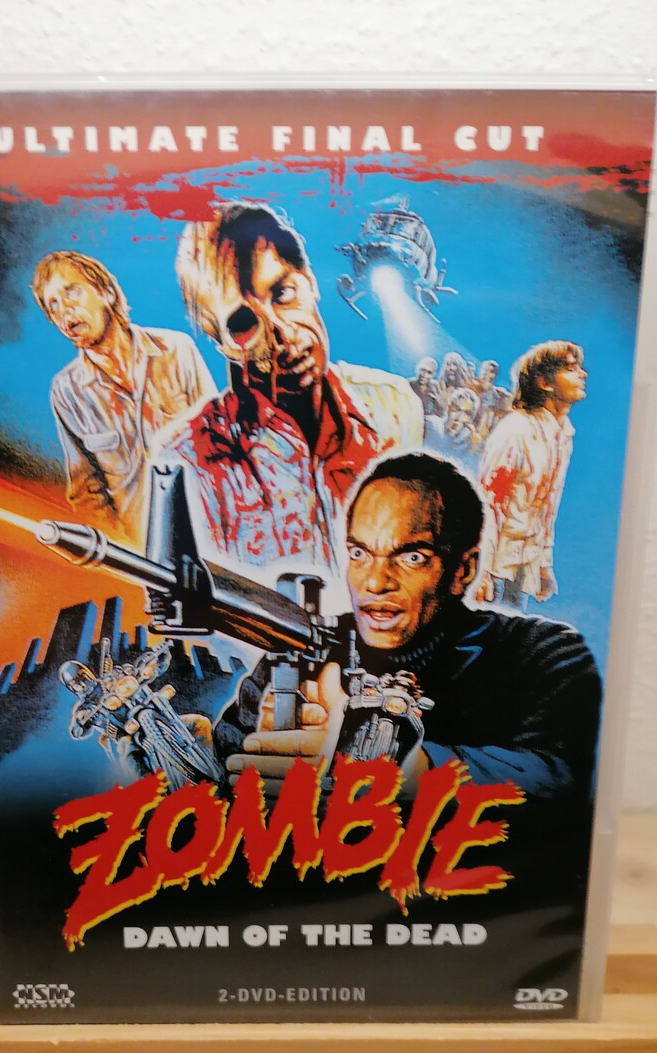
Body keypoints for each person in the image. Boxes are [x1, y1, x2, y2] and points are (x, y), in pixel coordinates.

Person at [215, 451, 601, 813]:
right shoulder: (300, 650)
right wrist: (258, 742)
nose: (375, 582)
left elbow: (559, 776)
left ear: (463, 570)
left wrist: (394, 769)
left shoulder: (544, 653)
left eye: (411, 557)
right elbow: (225, 756)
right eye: (359, 554)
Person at [171, 204, 423, 568]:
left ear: (310, 281)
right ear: (223, 345)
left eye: (283, 293)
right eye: (243, 323)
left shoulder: (395, 410)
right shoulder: (191, 463)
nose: (283, 335)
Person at [32, 250, 215, 545]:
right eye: (52, 306)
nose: (64, 310)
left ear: (106, 292)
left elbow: (221, 443)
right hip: (141, 554)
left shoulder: (177, 351)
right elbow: (86, 492)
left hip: (209, 542)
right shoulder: (67, 392)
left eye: (71, 292)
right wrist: (123, 552)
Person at [476, 341, 587, 610]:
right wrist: (481, 570)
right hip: (495, 565)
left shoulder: (563, 436)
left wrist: (543, 565)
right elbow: (489, 502)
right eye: (571, 369)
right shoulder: (516, 430)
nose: (583, 374)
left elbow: (548, 507)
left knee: (514, 629)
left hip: (523, 564)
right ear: (544, 383)